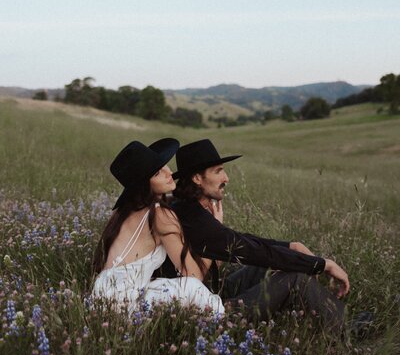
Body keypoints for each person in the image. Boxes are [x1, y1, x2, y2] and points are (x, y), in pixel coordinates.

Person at [155, 139, 350, 332]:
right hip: (203, 314)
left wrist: (289, 246)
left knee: (262, 268)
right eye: (218, 171)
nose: (226, 178)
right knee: (294, 278)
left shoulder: (186, 206)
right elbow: (248, 249)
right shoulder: (191, 216)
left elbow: (239, 240)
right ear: (197, 178)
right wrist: (323, 265)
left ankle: (327, 314)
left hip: (207, 292)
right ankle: (347, 329)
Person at [91, 138, 224, 315]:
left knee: (164, 286)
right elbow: (193, 276)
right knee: (192, 288)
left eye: (164, 165)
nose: (168, 172)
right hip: (124, 306)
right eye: (157, 173)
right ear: (145, 184)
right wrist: (215, 230)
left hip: (100, 301)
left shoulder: (123, 212)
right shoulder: (160, 215)